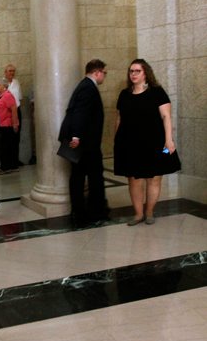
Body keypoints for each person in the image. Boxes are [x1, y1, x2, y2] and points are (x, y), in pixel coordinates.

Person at [114, 59, 179, 225]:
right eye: (131, 71)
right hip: (129, 144)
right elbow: (119, 118)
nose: (133, 74)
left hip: (156, 144)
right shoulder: (124, 94)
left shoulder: (157, 92)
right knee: (134, 180)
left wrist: (169, 140)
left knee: (154, 178)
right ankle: (138, 214)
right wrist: (117, 141)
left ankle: (149, 212)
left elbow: (166, 117)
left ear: (146, 73)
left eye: (137, 71)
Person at [58, 59, 109, 226]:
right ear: (97, 72)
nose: (104, 76)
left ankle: (82, 212)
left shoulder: (85, 85)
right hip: (86, 144)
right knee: (91, 177)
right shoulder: (88, 87)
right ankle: (93, 212)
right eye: (104, 73)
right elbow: (80, 113)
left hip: (85, 142)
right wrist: (76, 137)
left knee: (80, 177)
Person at [0, 63, 23, 166]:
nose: (12, 73)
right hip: (3, 115)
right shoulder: (0, 85)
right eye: (10, 71)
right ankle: (7, 163)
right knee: (5, 142)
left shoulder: (16, 83)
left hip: (12, 114)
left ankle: (13, 162)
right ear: (5, 72)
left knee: (13, 139)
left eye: (13, 71)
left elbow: (17, 100)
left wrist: (15, 122)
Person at [0, 78, 19, 174]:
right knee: (4, 146)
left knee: (6, 147)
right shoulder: (2, 96)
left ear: (4, 87)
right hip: (2, 125)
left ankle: (7, 167)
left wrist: (15, 124)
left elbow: (14, 110)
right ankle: (7, 166)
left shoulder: (8, 96)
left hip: (6, 126)